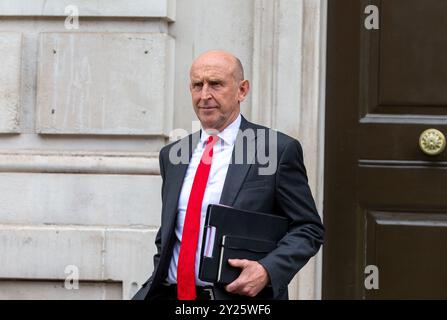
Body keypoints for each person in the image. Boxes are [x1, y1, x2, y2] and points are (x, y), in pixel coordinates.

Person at [133, 50, 324, 300]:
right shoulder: (173, 155)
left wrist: (267, 270)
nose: (205, 95)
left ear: (242, 90)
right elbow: (170, 234)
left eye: (216, 84)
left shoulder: (275, 150)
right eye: (197, 85)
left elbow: (308, 228)